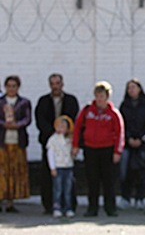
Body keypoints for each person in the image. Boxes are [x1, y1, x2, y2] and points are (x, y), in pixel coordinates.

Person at [72, 81, 124, 217]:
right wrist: (75, 145)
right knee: (92, 180)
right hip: (90, 149)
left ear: (107, 97)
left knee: (108, 181)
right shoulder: (87, 110)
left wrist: (118, 152)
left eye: (102, 96)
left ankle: (110, 208)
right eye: (97, 96)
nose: (99, 99)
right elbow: (77, 127)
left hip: (107, 149)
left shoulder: (113, 113)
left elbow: (120, 133)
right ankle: (92, 208)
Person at [35, 73, 79, 214]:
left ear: (62, 84)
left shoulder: (71, 101)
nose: (55, 86)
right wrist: (53, 133)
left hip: (66, 144)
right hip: (50, 143)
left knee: (68, 177)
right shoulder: (43, 101)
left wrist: (65, 133)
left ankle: (69, 205)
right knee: (48, 174)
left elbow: (74, 119)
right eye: (53, 83)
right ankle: (49, 205)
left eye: (58, 83)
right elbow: (40, 120)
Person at [118, 79, 145, 211]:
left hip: (142, 144)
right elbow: (121, 125)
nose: (131, 90)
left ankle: (140, 198)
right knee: (125, 170)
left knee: (141, 171)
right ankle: (125, 197)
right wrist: (128, 139)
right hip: (127, 144)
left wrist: (142, 139)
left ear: (140, 88)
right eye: (129, 88)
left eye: (133, 87)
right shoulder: (124, 106)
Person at [0, 75, 31, 212]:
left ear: (18, 87)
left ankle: (10, 202)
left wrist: (16, 125)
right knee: (2, 172)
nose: (11, 89)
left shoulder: (23, 102)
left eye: (14, 86)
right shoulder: (0, 102)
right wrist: (4, 124)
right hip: (2, 141)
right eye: (9, 86)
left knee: (14, 171)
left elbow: (27, 119)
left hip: (17, 141)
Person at [46, 115, 75, 218]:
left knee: (68, 190)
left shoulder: (70, 140)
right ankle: (57, 208)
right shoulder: (53, 140)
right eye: (58, 126)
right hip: (58, 166)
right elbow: (50, 154)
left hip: (68, 167)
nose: (60, 129)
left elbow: (73, 153)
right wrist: (52, 167)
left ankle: (68, 208)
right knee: (57, 189)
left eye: (63, 126)